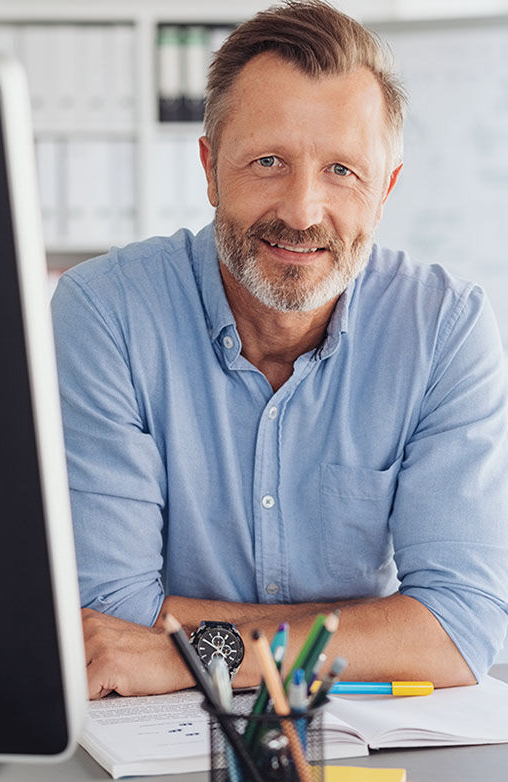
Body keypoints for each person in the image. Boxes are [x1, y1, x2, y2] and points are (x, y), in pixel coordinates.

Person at [51, 0, 508, 700]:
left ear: (385, 189)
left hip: (370, 744)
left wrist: (192, 655)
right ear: (209, 168)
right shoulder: (105, 313)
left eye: (341, 172)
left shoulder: (445, 328)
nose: (301, 211)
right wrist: (375, 633)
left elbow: (457, 628)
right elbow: (107, 616)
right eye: (268, 161)